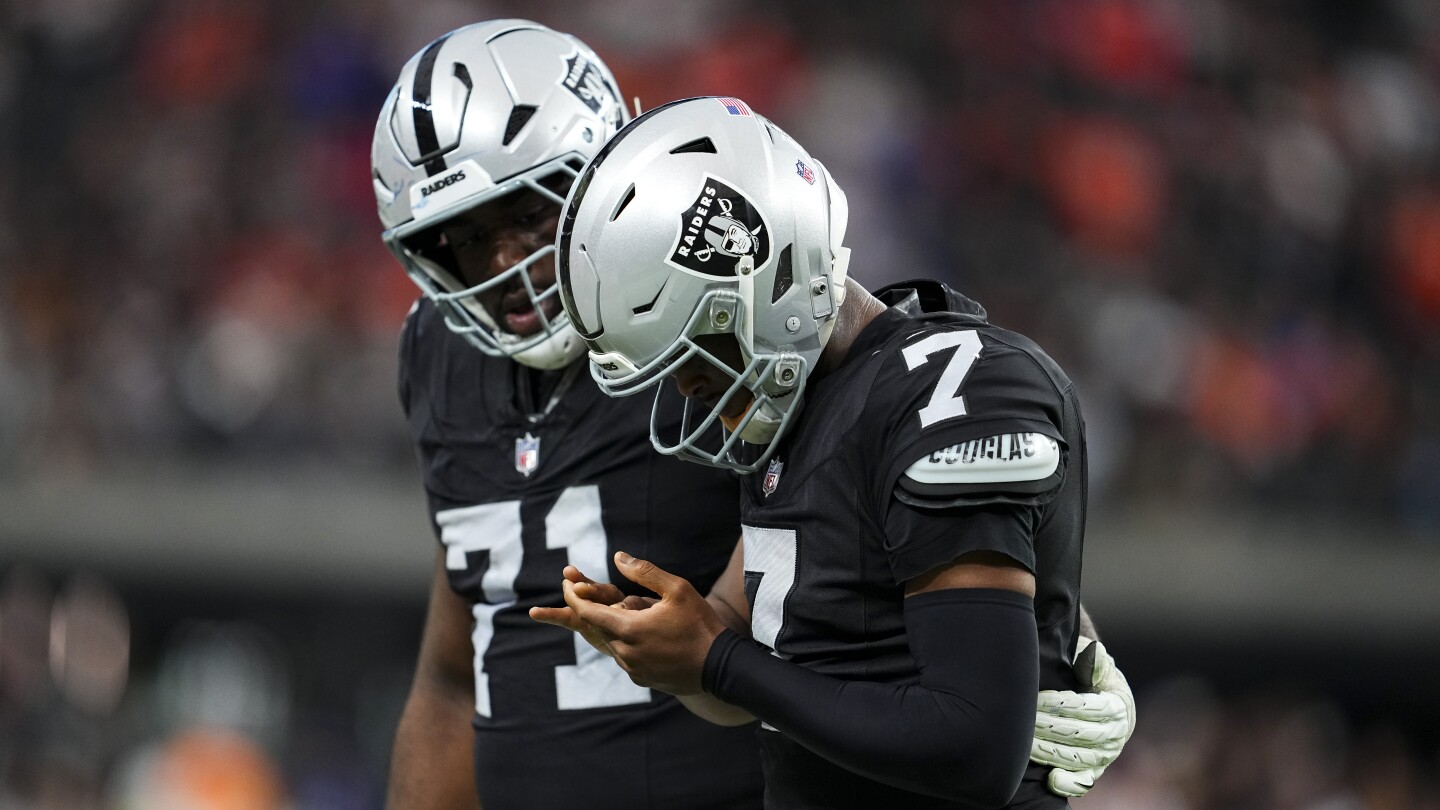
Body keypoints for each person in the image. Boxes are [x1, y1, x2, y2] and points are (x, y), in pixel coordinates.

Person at [372, 21, 1130, 809]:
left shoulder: (725, 323)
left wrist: (1061, 646)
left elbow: (922, 502)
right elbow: (456, 665)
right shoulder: (437, 356)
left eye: (530, 214)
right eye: (460, 239)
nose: (507, 264)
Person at [536, 95, 1119, 809]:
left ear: (771, 276)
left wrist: (716, 662)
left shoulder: (954, 388)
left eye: (699, 348)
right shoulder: (810, 405)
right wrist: (660, 641)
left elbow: (974, 749)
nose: (690, 388)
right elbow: (753, 659)